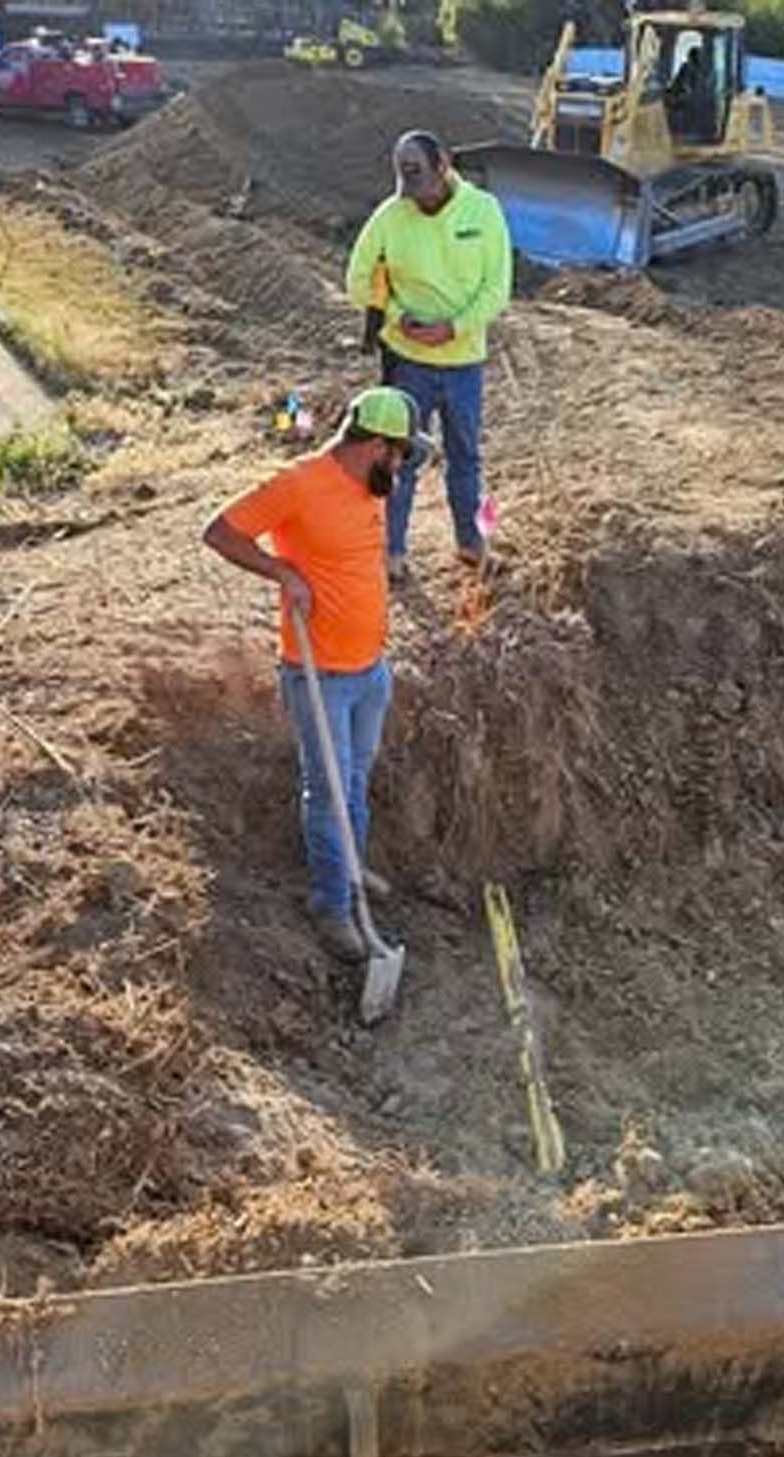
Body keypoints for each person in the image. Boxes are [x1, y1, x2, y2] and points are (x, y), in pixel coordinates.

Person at [202, 387, 432, 962]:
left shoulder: (371, 484)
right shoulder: (299, 484)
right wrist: (282, 572)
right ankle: (331, 905)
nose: (401, 467)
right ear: (374, 444)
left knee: (354, 781)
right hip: (319, 673)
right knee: (328, 790)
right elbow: (220, 531)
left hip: (369, 668)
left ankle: (352, 869)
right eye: (398, 454)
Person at [346, 129, 512, 582]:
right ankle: (391, 552)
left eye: (420, 179)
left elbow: (497, 288)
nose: (415, 196)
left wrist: (454, 328)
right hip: (408, 361)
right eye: (406, 182)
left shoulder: (484, 211)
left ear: (444, 164)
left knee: (465, 456)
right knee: (399, 456)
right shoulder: (391, 215)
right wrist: (397, 318)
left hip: (463, 364)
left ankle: (469, 544)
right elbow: (358, 279)